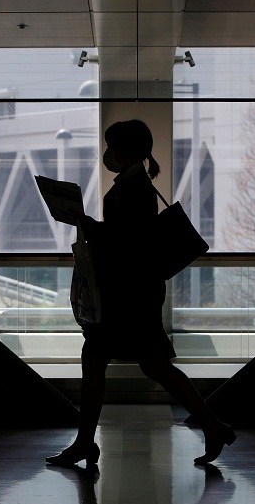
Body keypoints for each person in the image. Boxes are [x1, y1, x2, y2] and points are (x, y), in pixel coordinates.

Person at [46, 119, 235, 467]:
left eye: (113, 147)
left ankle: (86, 442)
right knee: (150, 365)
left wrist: (90, 227)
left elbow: (127, 244)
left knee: (104, 360)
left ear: (129, 151)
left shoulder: (134, 190)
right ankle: (212, 425)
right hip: (136, 294)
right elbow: (131, 240)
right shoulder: (135, 185)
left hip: (127, 297)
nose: (108, 154)